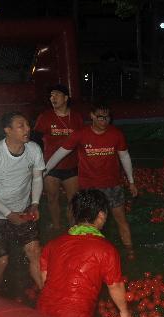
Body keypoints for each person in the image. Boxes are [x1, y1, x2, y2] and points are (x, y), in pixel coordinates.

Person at [45, 101, 138, 256]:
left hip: (112, 185)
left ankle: (129, 250)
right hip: (89, 188)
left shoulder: (116, 134)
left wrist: (132, 182)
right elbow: (61, 152)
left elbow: (125, 157)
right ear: (92, 116)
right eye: (100, 117)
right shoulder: (80, 134)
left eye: (107, 117)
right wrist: (44, 171)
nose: (104, 121)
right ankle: (77, 250)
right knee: (84, 222)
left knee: (121, 219)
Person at [37, 189, 134, 317]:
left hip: (42, 314)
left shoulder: (53, 244)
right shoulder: (106, 249)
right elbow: (115, 286)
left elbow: (45, 279)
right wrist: (124, 312)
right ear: (101, 215)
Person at [0, 112, 45, 293]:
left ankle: (48, 299)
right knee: (1, 261)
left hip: (23, 209)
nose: (27, 129)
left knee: (35, 253)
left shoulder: (33, 149)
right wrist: (8, 214)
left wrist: (35, 203)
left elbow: (37, 178)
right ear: (7, 130)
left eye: (27, 124)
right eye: (21, 125)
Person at [33, 84, 83, 230]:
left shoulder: (76, 117)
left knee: (73, 200)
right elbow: (35, 140)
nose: (52, 98)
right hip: (51, 167)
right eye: (51, 95)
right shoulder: (45, 117)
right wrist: (37, 162)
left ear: (66, 98)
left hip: (71, 166)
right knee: (52, 198)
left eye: (56, 95)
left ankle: (72, 226)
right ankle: (56, 226)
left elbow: (82, 141)